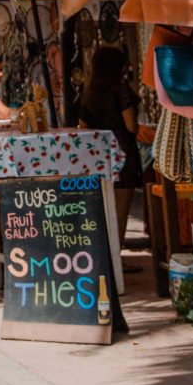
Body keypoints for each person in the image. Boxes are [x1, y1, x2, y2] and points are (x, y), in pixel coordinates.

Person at [75, 46, 141, 245]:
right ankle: (118, 261)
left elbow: (82, 127)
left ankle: (106, 260)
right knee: (120, 214)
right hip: (123, 154)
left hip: (99, 156)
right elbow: (131, 126)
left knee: (103, 211)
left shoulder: (90, 92)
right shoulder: (121, 90)